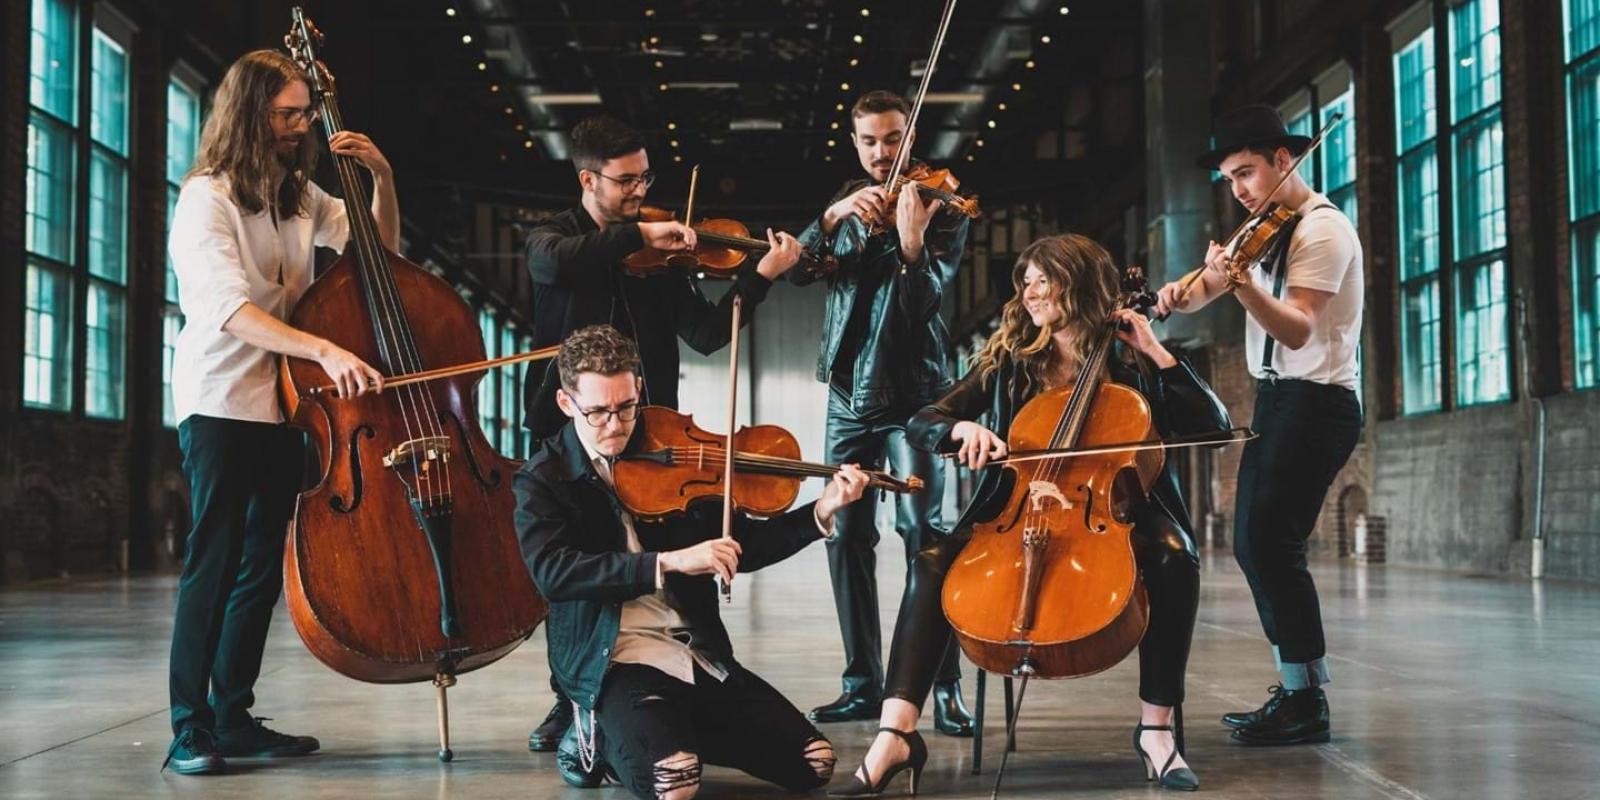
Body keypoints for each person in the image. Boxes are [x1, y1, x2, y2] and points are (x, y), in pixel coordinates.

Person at [831, 234, 1232, 796]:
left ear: (1082, 284)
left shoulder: (1133, 363)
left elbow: (1215, 430)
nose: (1031, 291)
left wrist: (1156, 351)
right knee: (930, 561)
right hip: (1013, 511)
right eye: (1027, 281)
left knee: (1174, 555)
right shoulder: (1009, 361)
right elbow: (924, 420)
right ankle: (895, 734)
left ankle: (1156, 730)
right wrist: (958, 428)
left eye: (1046, 279)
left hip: (1115, 509)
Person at [520, 115, 803, 751]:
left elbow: (705, 334)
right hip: (571, 430)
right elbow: (551, 265)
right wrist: (638, 234)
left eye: (645, 178)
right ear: (588, 180)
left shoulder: (667, 258)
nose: (640, 191)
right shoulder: (555, 237)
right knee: (576, 570)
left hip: (649, 429)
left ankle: (684, 672)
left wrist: (758, 279)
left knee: (658, 555)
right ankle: (571, 698)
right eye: (626, 181)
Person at [164, 49, 397, 775]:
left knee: (260, 568)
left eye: (305, 113)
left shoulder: (298, 197)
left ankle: (233, 717)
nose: (302, 126)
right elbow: (228, 310)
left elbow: (377, 257)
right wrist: (324, 348)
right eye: (288, 113)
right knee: (214, 560)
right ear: (249, 113)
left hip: (285, 405)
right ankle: (189, 727)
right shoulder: (206, 198)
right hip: (220, 399)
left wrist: (382, 180)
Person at [515, 325, 871, 799]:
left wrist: (820, 511)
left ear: (638, 389)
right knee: (674, 784)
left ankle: (668, 732)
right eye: (598, 412)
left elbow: (743, 546)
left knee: (816, 763)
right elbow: (554, 573)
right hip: (614, 661)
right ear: (566, 403)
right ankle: (598, 735)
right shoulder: (543, 479)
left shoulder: (672, 452)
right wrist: (668, 562)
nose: (616, 425)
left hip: (692, 651)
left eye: (626, 407)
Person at [1155, 104, 1364, 746]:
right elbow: (1203, 289)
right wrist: (1171, 297)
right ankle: (1299, 690)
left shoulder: (1322, 231)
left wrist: (1242, 284)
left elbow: (1297, 328)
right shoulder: (1265, 228)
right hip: (1280, 401)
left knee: (1270, 546)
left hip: (1317, 402)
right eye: (1229, 180)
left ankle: (1305, 700)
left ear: (1283, 159)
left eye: (1246, 173)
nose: (1239, 190)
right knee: (1257, 544)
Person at [792, 90, 973, 735]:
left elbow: (925, 301)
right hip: (847, 396)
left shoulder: (943, 206)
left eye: (892, 138)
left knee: (925, 536)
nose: (881, 152)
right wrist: (829, 215)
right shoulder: (849, 204)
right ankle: (862, 684)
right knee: (845, 536)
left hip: (914, 395)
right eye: (869, 141)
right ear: (854, 141)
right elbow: (798, 270)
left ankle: (943, 687)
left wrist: (912, 241)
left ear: (910, 135)